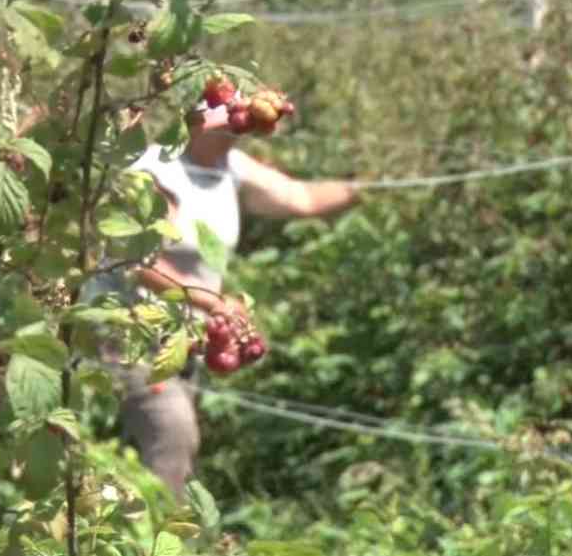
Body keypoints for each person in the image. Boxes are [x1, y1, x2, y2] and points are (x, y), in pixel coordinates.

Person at [82, 94, 362, 499]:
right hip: (127, 334)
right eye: (221, 104)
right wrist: (212, 303)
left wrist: (369, 187)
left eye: (239, 104)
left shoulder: (232, 168)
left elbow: (300, 198)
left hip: (183, 342)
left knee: (141, 452)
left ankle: (111, 530)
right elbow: (137, 259)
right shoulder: (155, 169)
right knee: (172, 436)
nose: (237, 111)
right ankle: (157, 541)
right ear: (192, 116)